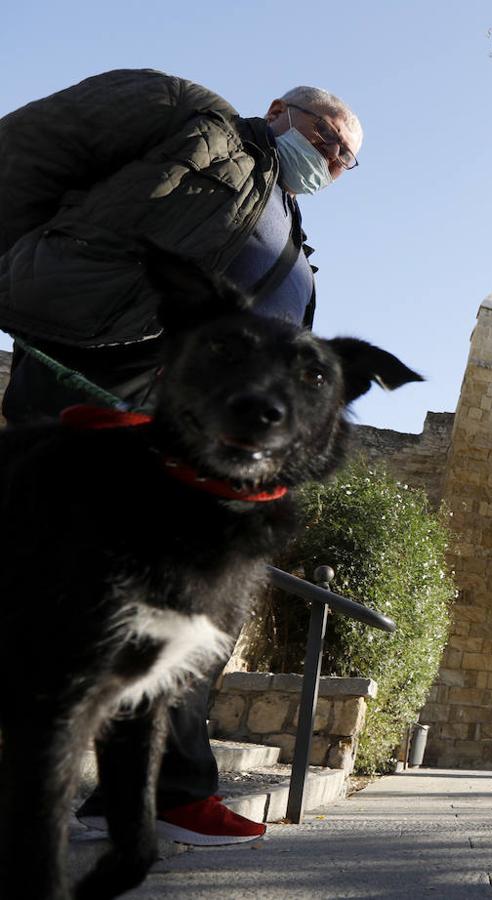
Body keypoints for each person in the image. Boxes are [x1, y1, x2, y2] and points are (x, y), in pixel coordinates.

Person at [0, 69, 363, 844]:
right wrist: (21, 278)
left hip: (205, 432)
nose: (331, 158)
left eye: (344, 159)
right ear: (280, 112)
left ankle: (169, 790)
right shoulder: (188, 115)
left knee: (198, 610)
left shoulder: (295, 231)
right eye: (327, 136)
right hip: (92, 373)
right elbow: (30, 150)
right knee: (48, 577)